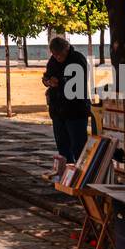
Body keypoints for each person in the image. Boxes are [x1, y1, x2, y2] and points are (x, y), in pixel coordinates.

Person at [43, 36, 91, 164]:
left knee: (78, 146)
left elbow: (77, 84)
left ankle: (81, 175)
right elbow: (45, 77)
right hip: (58, 111)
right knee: (62, 147)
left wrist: (59, 83)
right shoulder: (53, 61)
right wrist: (48, 82)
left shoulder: (77, 59)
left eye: (59, 54)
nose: (57, 57)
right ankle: (66, 175)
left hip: (75, 110)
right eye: (55, 55)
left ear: (66, 48)